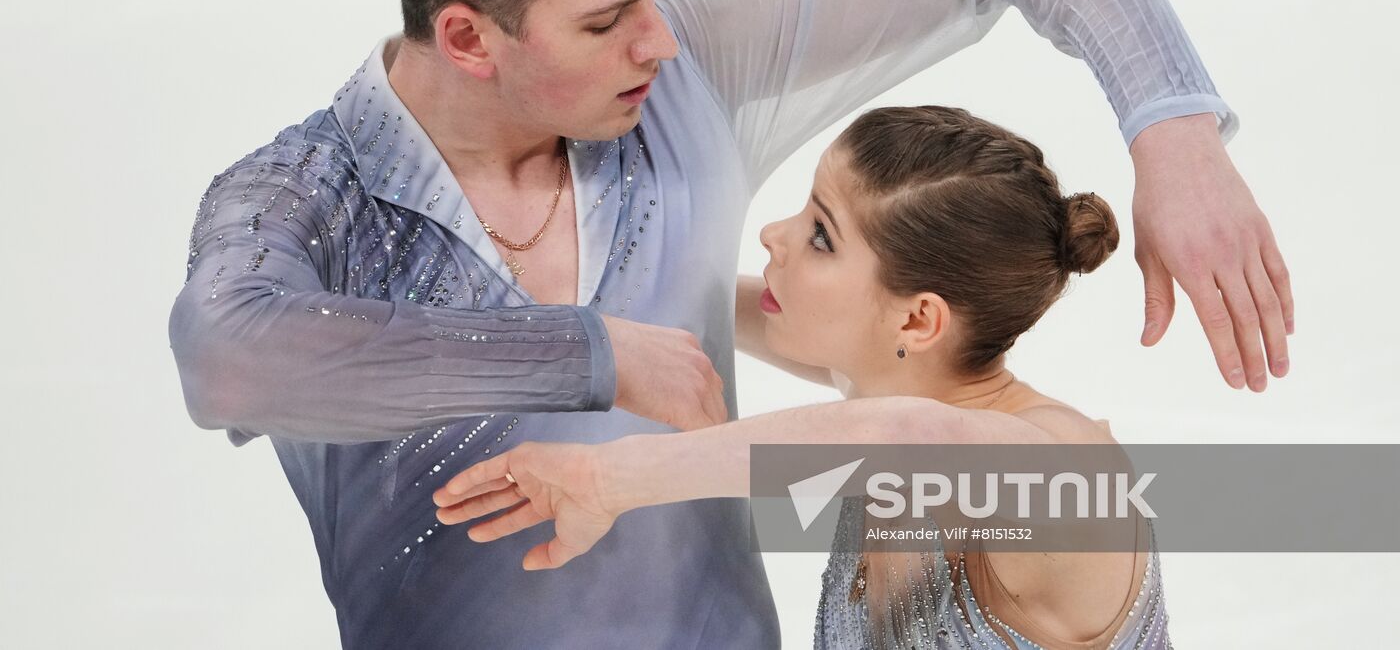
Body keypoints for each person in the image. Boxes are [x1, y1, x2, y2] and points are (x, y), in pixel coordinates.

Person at [168, 0, 1286, 648]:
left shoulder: (682, 75)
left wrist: (1173, 132)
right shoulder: (299, 201)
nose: (655, 39)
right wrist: (591, 354)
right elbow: (229, 360)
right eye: (605, 19)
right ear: (467, 37)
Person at [433, 105, 1170, 649]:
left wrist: (609, 478)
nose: (774, 236)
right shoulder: (888, 385)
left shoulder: (1063, 473)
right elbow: (692, 294)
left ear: (917, 322)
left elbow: (903, 439)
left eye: (821, 236)